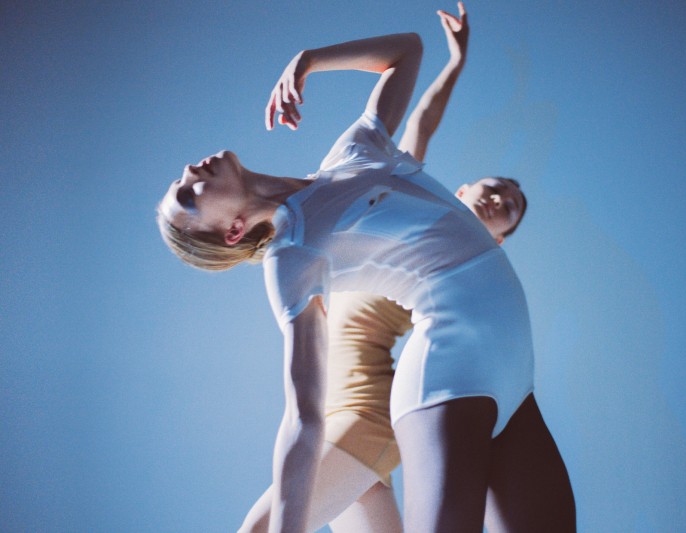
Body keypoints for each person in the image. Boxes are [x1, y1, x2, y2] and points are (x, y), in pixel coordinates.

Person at [158, 5, 575, 531]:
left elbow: (407, 52)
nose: (190, 173)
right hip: (445, 374)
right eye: (189, 196)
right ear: (233, 231)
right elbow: (303, 417)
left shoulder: (353, 151)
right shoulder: (293, 253)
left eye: (182, 179)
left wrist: (308, 60)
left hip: (516, 379)